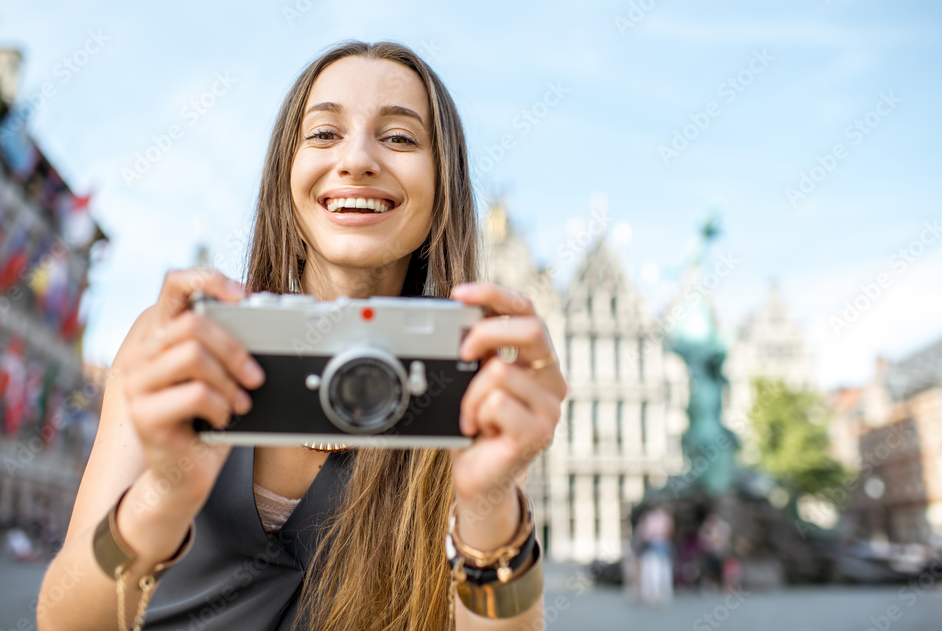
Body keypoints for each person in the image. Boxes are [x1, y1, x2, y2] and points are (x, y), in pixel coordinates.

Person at [36, 41, 568, 631]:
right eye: (323, 134)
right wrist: (163, 494)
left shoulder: (471, 373)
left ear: (443, 183)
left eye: (399, 137)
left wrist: (491, 505)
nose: (358, 159)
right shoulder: (182, 344)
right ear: (285, 174)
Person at [636, 506, 674, 605]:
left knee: (656, 570)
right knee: (654, 570)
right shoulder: (662, 517)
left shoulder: (654, 518)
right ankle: (655, 593)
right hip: (655, 545)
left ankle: (656, 593)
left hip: (657, 545)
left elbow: (645, 533)